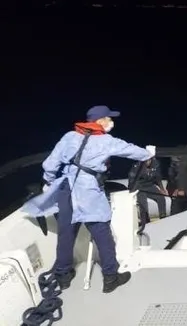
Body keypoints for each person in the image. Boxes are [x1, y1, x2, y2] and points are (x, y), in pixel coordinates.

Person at [23, 105, 155, 293]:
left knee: (66, 234)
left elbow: (50, 163)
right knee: (102, 232)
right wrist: (148, 153)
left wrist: (48, 180)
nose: (111, 121)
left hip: (66, 189)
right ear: (100, 121)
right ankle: (111, 277)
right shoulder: (106, 141)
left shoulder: (69, 136)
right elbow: (132, 151)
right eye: (109, 118)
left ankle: (63, 277)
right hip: (88, 191)